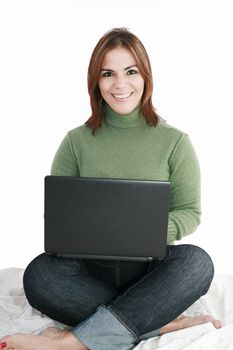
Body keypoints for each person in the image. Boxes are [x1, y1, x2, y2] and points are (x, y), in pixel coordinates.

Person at [0, 27, 223, 350]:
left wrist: (142, 233)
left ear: (145, 76)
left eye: (130, 71)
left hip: (150, 270)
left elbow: (190, 212)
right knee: (39, 275)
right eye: (108, 73)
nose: (120, 84)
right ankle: (159, 322)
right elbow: (61, 215)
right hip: (90, 271)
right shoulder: (76, 142)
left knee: (197, 263)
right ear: (96, 81)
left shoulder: (174, 142)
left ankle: (69, 342)